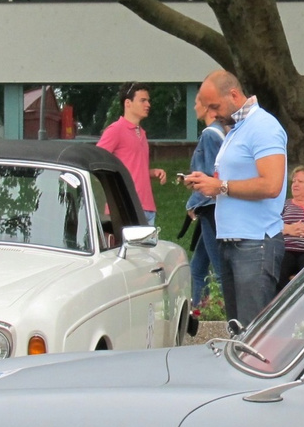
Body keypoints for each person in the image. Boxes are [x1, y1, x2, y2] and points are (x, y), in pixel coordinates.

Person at [183, 70, 287, 328]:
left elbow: (272, 185)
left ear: (233, 94)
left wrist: (221, 186)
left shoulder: (263, 126)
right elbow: (230, 181)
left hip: (255, 242)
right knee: (238, 330)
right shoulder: (236, 129)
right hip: (232, 242)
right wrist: (208, 184)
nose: (213, 113)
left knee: (254, 335)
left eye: (215, 106)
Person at [97, 82, 166, 224]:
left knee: (147, 247)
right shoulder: (115, 130)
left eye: (148, 100)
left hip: (146, 207)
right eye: (143, 100)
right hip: (125, 207)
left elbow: (132, 168)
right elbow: (96, 160)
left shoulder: (142, 133)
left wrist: (152, 172)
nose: (148, 105)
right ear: (128, 103)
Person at [185, 94, 227, 316]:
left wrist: (194, 200)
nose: (193, 107)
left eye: (196, 102)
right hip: (212, 206)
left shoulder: (210, 135)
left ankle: (223, 313)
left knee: (219, 270)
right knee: (197, 267)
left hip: (210, 208)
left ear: (209, 108)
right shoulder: (222, 133)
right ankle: (197, 309)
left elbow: (211, 174)